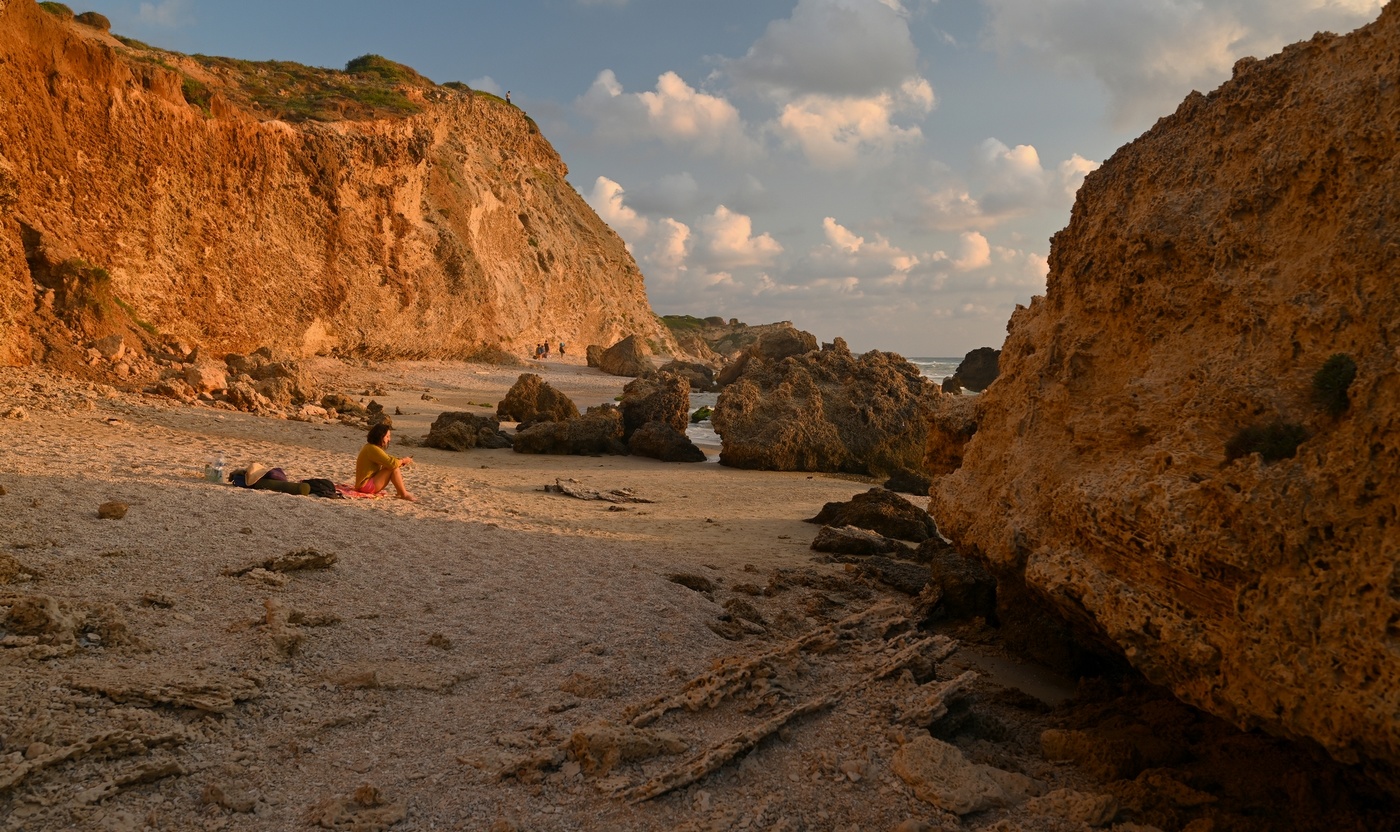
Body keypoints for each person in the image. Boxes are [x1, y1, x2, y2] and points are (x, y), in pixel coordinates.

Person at [355, 423, 417, 501]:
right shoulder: (372, 449)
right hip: (365, 486)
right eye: (387, 436)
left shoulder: (370, 447)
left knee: (391, 465)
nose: (389, 439)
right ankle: (403, 494)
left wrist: (401, 461)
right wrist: (403, 460)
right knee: (393, 468)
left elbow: (388, 459)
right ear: (380, 437)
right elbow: (392, 463)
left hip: (364, 485)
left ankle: (400, 492)